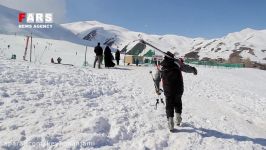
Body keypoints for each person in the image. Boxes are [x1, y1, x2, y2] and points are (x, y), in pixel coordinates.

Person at [154, 51, 197, 132]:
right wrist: (193, 70)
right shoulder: (177, 62)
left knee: (169, 104)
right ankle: (178, 118)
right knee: (178, 102)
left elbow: (157, 79)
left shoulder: (161, 65)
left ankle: (170, 122)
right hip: (179, 87)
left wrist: (157, 89)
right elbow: (186, 68)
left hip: (168, 88)